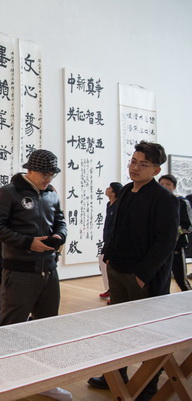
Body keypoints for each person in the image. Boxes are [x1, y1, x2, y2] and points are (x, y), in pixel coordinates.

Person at [88, 141, 179, 401]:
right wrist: (108, 255)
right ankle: (116, 377)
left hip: (143, 277)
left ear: (156, 170)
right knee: (119, 327)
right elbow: (117, 227)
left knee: (148, 333)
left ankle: (147, 387)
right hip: (118, 268)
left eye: (143, 164)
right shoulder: (127, 190)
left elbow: (166, 243)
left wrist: (142, 275)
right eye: (133, 161)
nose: (135, 168)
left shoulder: (164, 199)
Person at [0, 149, 70, 401]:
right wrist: (27, 242)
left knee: (47, 326)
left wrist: (60, 235)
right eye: (44, 174)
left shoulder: (51, 193)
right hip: (19, 271)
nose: (48, 179)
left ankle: (43, 380)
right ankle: (3, 380)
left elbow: (61, 220)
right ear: (30, 170)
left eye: (52, 174)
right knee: (10, 327)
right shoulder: (8, 192)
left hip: (49, 270)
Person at [158, 174, 192, 291]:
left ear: (174, 187)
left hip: (176, 247)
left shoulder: (182, 202)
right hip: (159, 248)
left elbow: (188, 226)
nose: (164, 186)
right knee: (162, 280)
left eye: (168, 184)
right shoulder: (156, 202)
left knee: (181, 279)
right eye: (162, 184)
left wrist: (172, 233)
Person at [98, 182, 123, 303]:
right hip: (107, 238)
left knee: (110, 265)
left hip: (114, 241)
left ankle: (115, 293)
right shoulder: (109, 204)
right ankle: (110, 289)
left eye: (109, 188)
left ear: (113, 193)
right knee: (103, 261)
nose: (106, 189)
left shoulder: (119, 206)